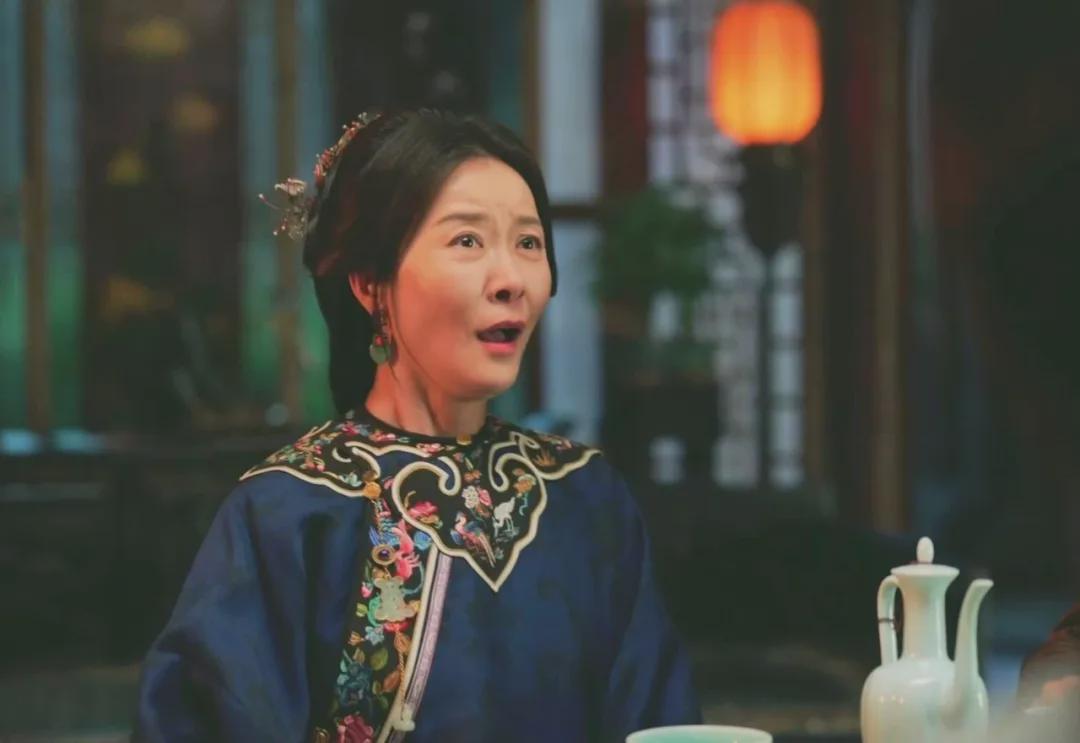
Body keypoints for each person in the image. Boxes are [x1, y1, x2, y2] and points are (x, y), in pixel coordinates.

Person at [134, 109, 700, 742]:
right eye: (467, 241)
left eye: (529, 243)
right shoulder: (289, 511)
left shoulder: (585, 497)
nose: (511, 280)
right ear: (369, 281)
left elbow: (659, 719)